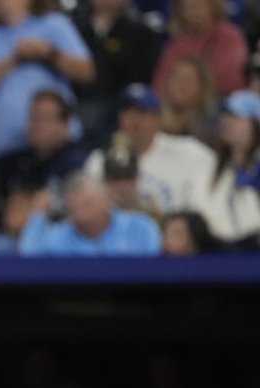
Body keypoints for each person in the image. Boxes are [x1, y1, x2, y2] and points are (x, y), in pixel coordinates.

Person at [0, 0, 94, 213]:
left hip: (56, 148)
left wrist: (48, 53)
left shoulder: (53, 25)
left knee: (60, 209)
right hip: (2, 149)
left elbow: (86, 71)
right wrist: (15, 58)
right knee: (7, 216)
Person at [85, 83, 216, 215]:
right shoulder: (99, 160)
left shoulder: (189, 152)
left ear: (157, 118)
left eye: (141, 112)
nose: (133, 119)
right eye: (127, 111)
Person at [71, 0, 160, 147]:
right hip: (76, 106)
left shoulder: (141, 33)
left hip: (119, 108)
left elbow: (140, 81)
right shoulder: (74, 29)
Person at [18, 173, 162, 256]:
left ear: (106, 201)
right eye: (75, 205)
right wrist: (38, 215)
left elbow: (155, 266)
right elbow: (29, 257)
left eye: (88, 203)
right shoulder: (58, 236)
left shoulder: (139, 228)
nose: (81, 212)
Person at [193, 90, 260, 248]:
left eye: (236, 117)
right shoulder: (209, 165)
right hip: (218, 250)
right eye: (225, 116)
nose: (226, 122)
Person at [8, 90, 88, 215]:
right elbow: (14, 215)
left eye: (44, 118)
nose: (36, 125)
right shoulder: (25, 161)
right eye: (33, 117)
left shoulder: (77, 162)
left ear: (65, 126)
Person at [152, 0, 248, 98]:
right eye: (186, 7)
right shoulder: (177, 44)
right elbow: (161, 84)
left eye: (197, 5)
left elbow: (231, 79)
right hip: (178, 105)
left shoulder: (230, 37)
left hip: (219, 102)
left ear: (212, 5)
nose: (192, 12)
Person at [159, 56, 218, 144]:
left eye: (188, 79)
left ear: (203, 86)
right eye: (175, 77)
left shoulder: (212, 127)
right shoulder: (155, 120)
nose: (180, 84)